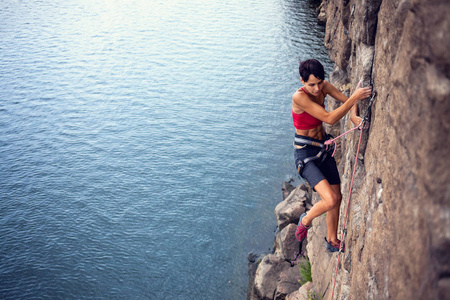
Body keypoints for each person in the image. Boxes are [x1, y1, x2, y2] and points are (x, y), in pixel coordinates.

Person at [292, 59, 371, 252]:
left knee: (338, 197)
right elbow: (329, 117)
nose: (317, 89)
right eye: (311, 85)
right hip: (306, 155)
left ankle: (332, 240)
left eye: (320, 83)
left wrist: (353, 114)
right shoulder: (299, 97)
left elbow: (347, 101)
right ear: (302, 82)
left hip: (322, 148)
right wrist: (354, 99)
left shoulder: (324, 86)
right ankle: (307, 219)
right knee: (330, 200)